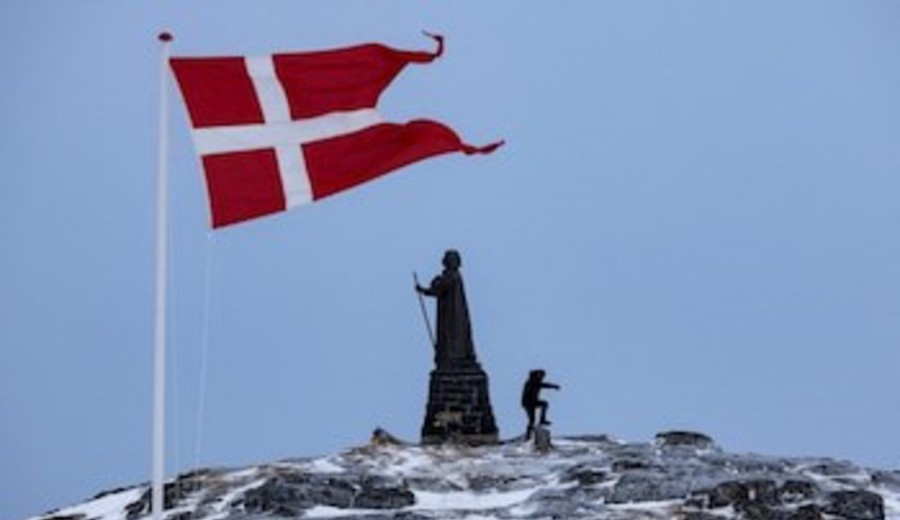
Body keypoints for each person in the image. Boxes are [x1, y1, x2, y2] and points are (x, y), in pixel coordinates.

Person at [521, 369, 560, 439]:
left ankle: (531, 432)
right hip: (528, 402)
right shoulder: (532, 381)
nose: (542, 378)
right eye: (542, 376)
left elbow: (542, 385)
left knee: (543, 406)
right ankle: (530, 434)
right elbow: (543, 385)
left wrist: (554, 386)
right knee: (532, 419)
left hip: (531, 402)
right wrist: (554, 386)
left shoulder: (534, 381)